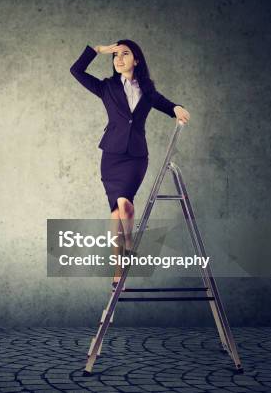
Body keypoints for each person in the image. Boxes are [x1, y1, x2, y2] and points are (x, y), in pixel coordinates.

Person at [70, 40, 190, 288]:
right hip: (112, 157)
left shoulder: (147, 90)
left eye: (126, 54)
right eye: (116, 55)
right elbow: (76, 71)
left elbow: (166, 104)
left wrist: (177, 107)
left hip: (136, 157)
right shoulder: (107, 87)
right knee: (121, 212)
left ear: (136, 60)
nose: (119, 58)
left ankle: (123, 258)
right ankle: (121, 264)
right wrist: (99, 50)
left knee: (124, 208)